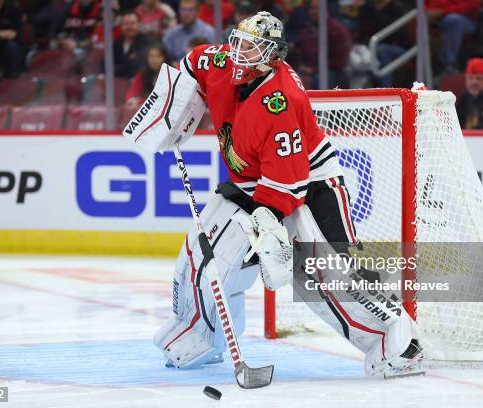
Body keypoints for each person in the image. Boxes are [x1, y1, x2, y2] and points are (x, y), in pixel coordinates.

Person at [153, 11, 422, 377]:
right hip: (252, 183)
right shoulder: (221, 61)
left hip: (308, 187)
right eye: (238, 41)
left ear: (272, 56)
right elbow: (192, 63)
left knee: (322, 277)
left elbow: (289, 180)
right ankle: (201, 336)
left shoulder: (280, 102)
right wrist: (175, 113)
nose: (238, 52)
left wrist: (267, 223)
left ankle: (398, 343)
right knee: (202, 255)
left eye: (251, 47)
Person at [292, 0, 352, 89]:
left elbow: (340, 62)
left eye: (316, 9)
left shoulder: (337, 30)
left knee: (320, 79)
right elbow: (301, 54)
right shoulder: (306, 31)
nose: (313, 12)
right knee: (291, 79)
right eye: (311, 9)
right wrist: (302, 66)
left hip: (333, 73)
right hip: (308, 71)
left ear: (325, 10)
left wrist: (314, 70)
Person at [425, 0, 482, 73]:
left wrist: (442, 12)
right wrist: (426, 11)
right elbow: (422, 4)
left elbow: (472, 5)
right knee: (416, 17)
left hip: (463, 18)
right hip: (434, 19)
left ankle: (449, 64)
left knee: (453, 20)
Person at [124, 43, 169, 108]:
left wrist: (140, 101)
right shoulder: (142, 74)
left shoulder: (171, 75)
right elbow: (132, 93)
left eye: (158, 56)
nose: (154, 60)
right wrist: (132, 99)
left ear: (165, 57)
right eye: (151, 56)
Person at [113, 10, 151, 78]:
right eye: (126, 23)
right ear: (121, 25)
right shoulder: (116, 43)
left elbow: (137, 67)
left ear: (139, 24)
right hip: (116, 83)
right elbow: (106, 66)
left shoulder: (147, 42)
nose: (129, 27)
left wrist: (119, 69)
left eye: (132, 23)